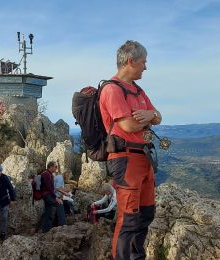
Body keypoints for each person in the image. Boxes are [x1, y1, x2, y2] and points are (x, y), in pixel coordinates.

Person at [99, 40, 162, 259]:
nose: (146, 67)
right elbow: (127, 125)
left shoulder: (137, 90)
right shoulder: (112, 90)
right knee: (128, 219)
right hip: (125, 159)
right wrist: (149, 117)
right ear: (130, 61)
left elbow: (159, 117)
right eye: (143, 62)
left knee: (145, 214)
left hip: (144, 158)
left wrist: (150, 116)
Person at [41, 161, 66, 232]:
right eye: (55, 167)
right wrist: (56, 198)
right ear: (51, 167)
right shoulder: (47, 174)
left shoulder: (48, 174)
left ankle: (46, 229)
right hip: (46, 195)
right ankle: (62, 225)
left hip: (47, 195)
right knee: (59, 203)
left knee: (48, 212)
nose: (56, 168)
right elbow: (49, 188)